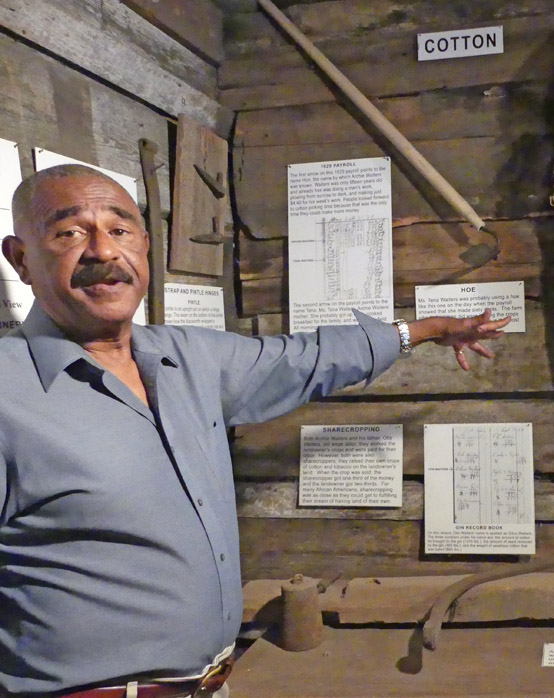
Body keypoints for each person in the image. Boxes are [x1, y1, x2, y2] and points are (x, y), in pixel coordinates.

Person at [0, 165, 510, 697]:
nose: (104, 250)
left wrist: (421, 331)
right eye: (69, 231)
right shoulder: (8, 395)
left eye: (120, 229)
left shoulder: (186, 358)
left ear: (144, 246)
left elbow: (304, 359)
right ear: (21, 259)